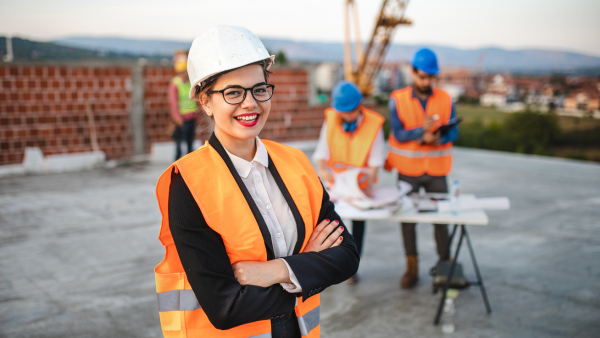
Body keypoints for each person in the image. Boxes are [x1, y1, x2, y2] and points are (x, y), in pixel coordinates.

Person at [154, 25, 359, 338]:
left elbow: (346, 256)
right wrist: (308, 267)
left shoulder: (297, 164)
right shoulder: (187, 183)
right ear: (206, 101)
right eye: (233, 92)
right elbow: (226, 307)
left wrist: (276, 271)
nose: (250, 103)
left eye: (259, 89)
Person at [385, 48, 459, 289]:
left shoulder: (446, 99)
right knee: (407, 219)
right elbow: (397, 133)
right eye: (423, 76)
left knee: (441, 219)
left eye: (431, 77)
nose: (427, 81)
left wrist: (441, 137)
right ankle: (412, 267)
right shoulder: (397, 99)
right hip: (409, 170)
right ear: (413, 72)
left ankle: (445, 266)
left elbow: (455, 131)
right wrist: (421, 133)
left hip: (437, 170)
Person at [313, 81, 385, 284]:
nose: (347, 116)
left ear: (360, 105)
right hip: (335, 187)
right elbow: (321, 156)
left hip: (360, 189)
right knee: (331, 225)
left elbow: (375, 163)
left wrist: (366, 181)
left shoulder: (373, 125)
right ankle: (330, 266)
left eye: (351, 111)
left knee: (358, 226)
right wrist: (325, 174)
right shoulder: (331, 120)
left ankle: (352, 268)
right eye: (343, 112)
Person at [169, 51, 198, 160]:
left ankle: (190, 162)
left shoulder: (190, 83)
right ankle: (177, 163)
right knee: (180, 143)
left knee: (191, 142)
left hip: (191, 117)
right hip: (182, 119)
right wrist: (177, 118)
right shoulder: (175, 83)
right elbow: (173, 102)